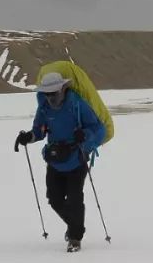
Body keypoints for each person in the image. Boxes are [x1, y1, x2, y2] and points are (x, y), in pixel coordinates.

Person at [15, 72, 106, 252]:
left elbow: (98, 128)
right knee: (54, 199)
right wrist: (28, 137)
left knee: (74, 198)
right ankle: (75, 227)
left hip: (77, 158)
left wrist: (85, 136)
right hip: (55, 159)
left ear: (63, 89)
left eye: (53, 93)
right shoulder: (44, 108)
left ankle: (75, 238)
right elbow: (39, 131)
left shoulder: (78, 105)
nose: (50, 98)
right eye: (47, 94)